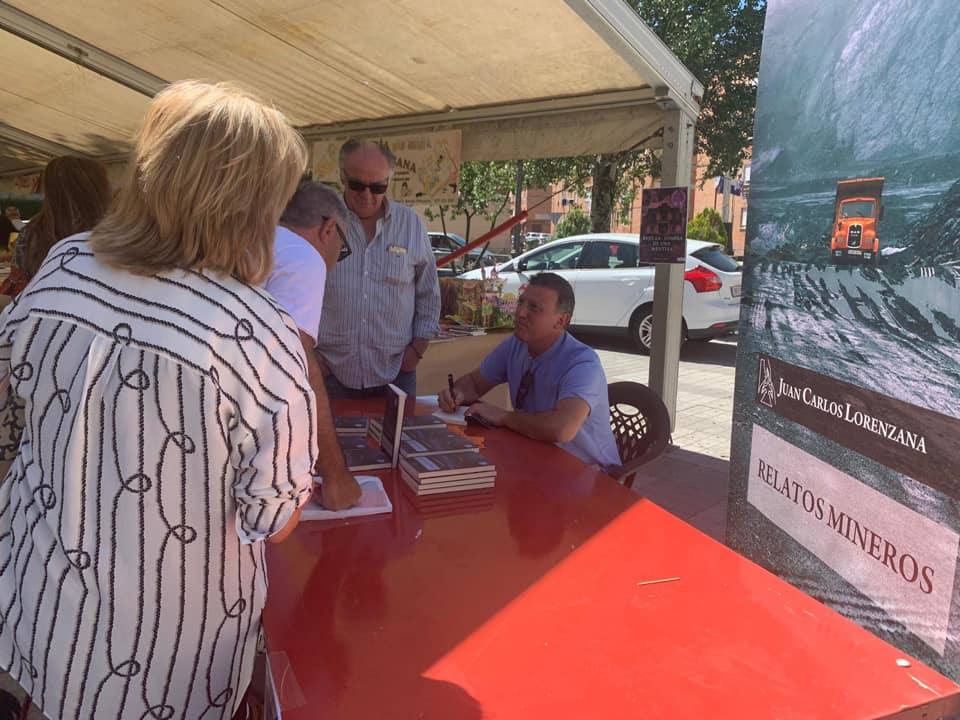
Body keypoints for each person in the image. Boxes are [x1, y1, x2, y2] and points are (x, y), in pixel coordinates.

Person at [0, 80, 313, 719]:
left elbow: (12, 394)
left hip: (38, 601)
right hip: (162, 653)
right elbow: (273, 518)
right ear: (252, 205)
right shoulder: (254, 332)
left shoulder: (62, 264)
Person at [439, 272, 620, 469]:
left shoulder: (582, 364)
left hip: (589, 473)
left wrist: (505, 417)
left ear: (561, 321)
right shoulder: (516, 345)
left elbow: (562, 429)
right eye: (521, 303)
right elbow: (474, 383)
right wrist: (457, 393)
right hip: (535, 457)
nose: (520, 313)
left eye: (534, 308)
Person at [316, 139, 441, 399]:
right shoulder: (321, 223)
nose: (367, 195)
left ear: (389, 181)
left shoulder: (411, 225)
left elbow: (429, 292)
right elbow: (298, 292)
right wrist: (312, 356)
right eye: (357, 185)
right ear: (342, 177)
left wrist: (416, 352)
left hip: (396, 374)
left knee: (398, 442)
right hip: (331, 374)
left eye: (378, 187)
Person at [264, 181, 361, 509]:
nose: (337, 257)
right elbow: (298, 367)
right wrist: (335, 476)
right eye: (343, 247)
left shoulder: (262, 242)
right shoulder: (302, 256)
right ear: (329, 228)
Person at [1, 157, 111, 299]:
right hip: (103, 315)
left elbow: (18, 291)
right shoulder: (117, 230)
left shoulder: (34, 231)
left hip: (44, 312)